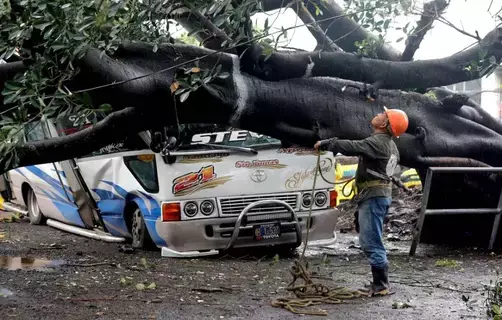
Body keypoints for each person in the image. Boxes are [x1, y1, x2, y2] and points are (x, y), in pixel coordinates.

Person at [314, 106, 409, 297]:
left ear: (385, 124)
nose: (378, 114)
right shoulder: (391, 146)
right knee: (370, 236)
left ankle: (381, 285)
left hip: (373, 197)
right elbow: (387, 172)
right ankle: (379, 282)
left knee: (370, 241)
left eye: (383, 114)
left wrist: (327, 143)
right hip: (377, 195)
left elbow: (352, 146)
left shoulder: (377, 142)